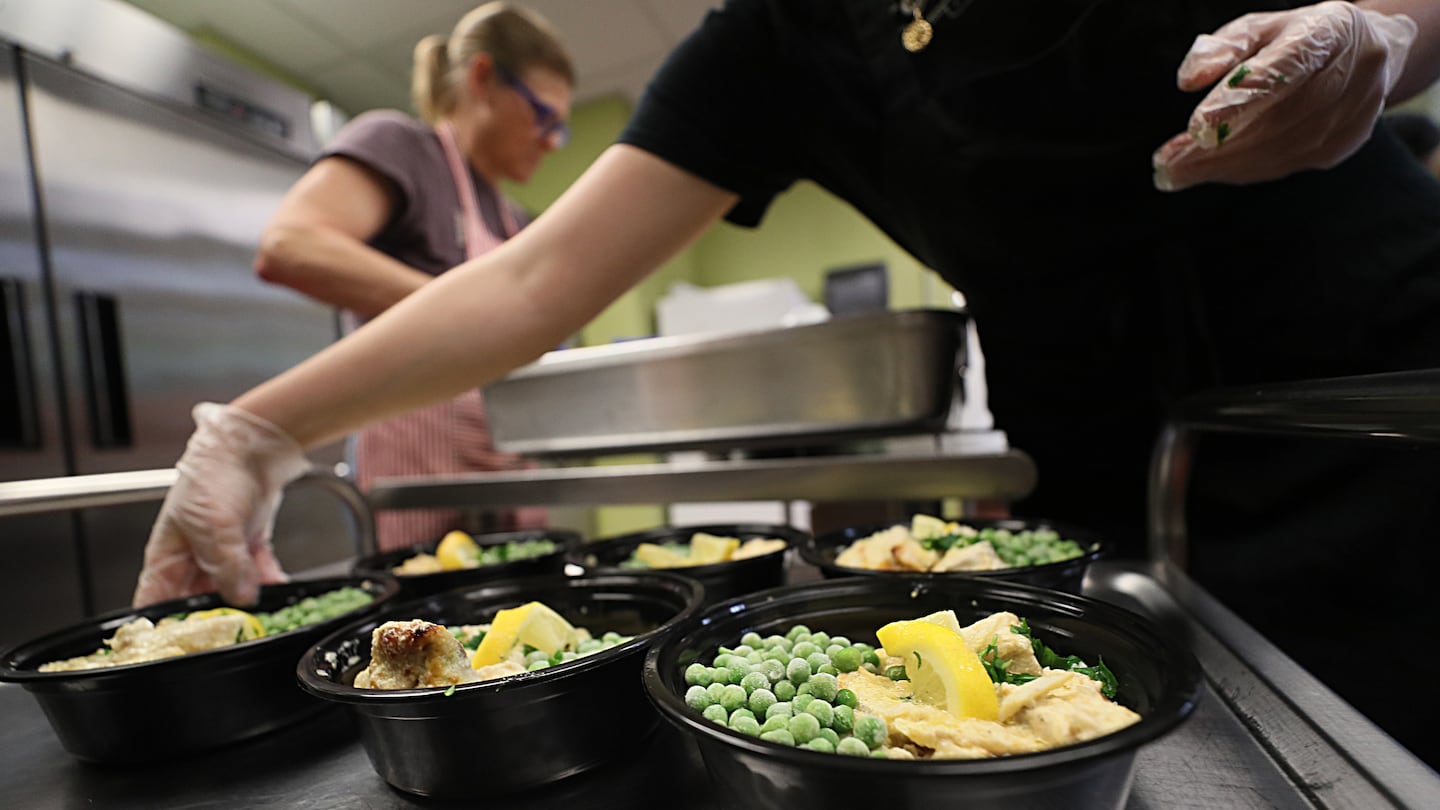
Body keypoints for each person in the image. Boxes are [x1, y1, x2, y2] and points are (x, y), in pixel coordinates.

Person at [135, 0, 1440, 765]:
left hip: (1381, 417)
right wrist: (260, 426)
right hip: (1111, 501)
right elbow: (536, 286)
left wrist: (1388, 29)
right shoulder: (779, 37)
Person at [251, 2, 572, 551]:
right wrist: (463, 315)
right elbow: (290, 245)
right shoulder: (402, 148)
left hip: (505, 482)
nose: (550, 140)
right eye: (543, 115)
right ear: (483, 79)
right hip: (417, 486)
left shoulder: (516, 219)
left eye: (560, 128)